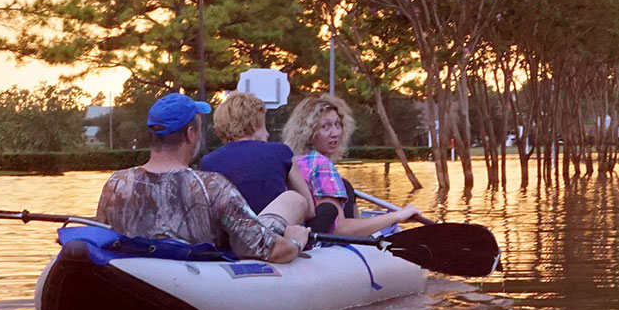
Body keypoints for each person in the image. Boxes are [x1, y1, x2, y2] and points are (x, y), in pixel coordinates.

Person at [95, 93, 308, 264]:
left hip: (140, 272)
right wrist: (295, 242)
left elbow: (103, 238)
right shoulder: (212, 187)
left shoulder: (116, 184)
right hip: (196, 281)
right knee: (293, 200)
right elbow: (269, 250)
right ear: (190, 134)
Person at [281, 93, 423, 238]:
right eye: (325, 127)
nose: (335, 133)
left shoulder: (294, 161)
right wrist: (397, 216)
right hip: (321, 245)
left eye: (337, 124)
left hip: (301, 237)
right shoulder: (321, 164)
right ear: (309, 133)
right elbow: (339, 229)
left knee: (346, 186)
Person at [200, 90, 314, 217]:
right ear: (254, 124)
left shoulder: (208, 162)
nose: (268, 134)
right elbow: (309, 209)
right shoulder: (281, 153)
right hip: (273, 233)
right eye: (263, 125)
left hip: (228, 233)